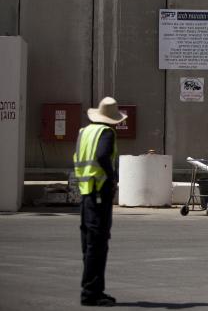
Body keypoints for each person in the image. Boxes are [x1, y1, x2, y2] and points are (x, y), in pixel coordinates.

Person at [73, 96, 126, 307]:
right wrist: (112, 178)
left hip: (86, 191)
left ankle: (92, 289)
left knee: (88, 242)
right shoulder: (106, 133)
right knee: (98, 243)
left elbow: (78, 158)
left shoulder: (83, 132)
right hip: (99, 192)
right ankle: (91, 293)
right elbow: (103, 156)